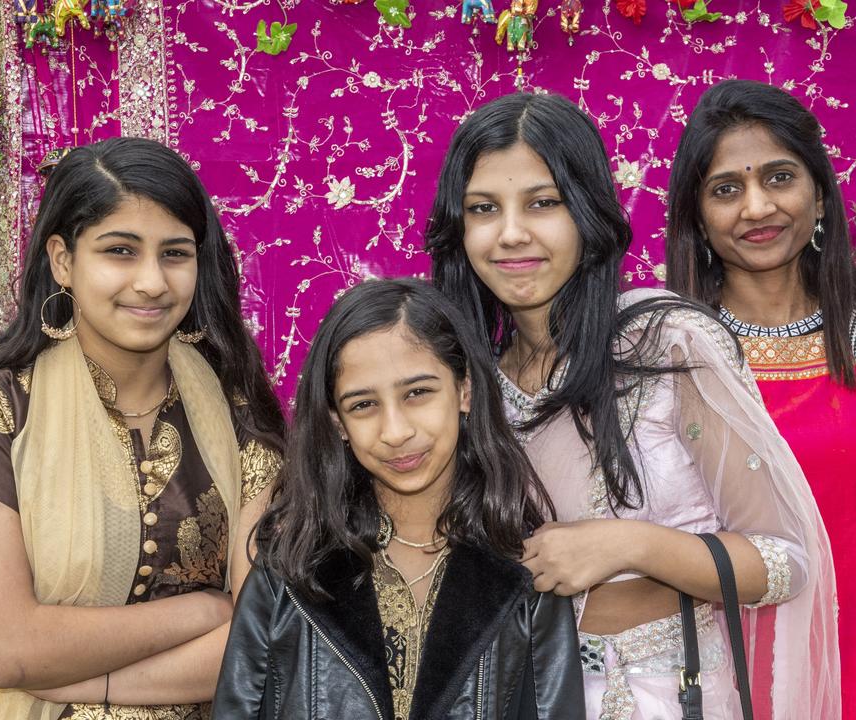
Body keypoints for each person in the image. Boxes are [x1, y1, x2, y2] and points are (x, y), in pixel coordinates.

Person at [427, 91, 839, 719]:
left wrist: (629, 545)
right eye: (484, 209)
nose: (512, 233)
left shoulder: (666, 343)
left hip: (673, 699)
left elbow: (785, 562)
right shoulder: (467, 387)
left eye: (543, 203)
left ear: (588, 214)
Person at [0, 137, 286, 719]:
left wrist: (87, 681)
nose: (151, 282)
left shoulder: (235, 410)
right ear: (63, 260)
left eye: (175, 254)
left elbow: (261, 643)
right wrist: (206, 612)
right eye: (120, 251)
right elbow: (12, 651)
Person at [213, 279, 585, 719]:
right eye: (363, 405)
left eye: (417, 393)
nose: (396, 431)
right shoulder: (290, 568)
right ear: (336, 421)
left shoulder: (525, 571)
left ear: (464, 390)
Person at [664, 79, 856, 719]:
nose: (757, 207)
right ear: (697, 217)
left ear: (820, 195)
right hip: (726, 675)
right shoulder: (665, 356)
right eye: (726, 189)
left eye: (779, 178)